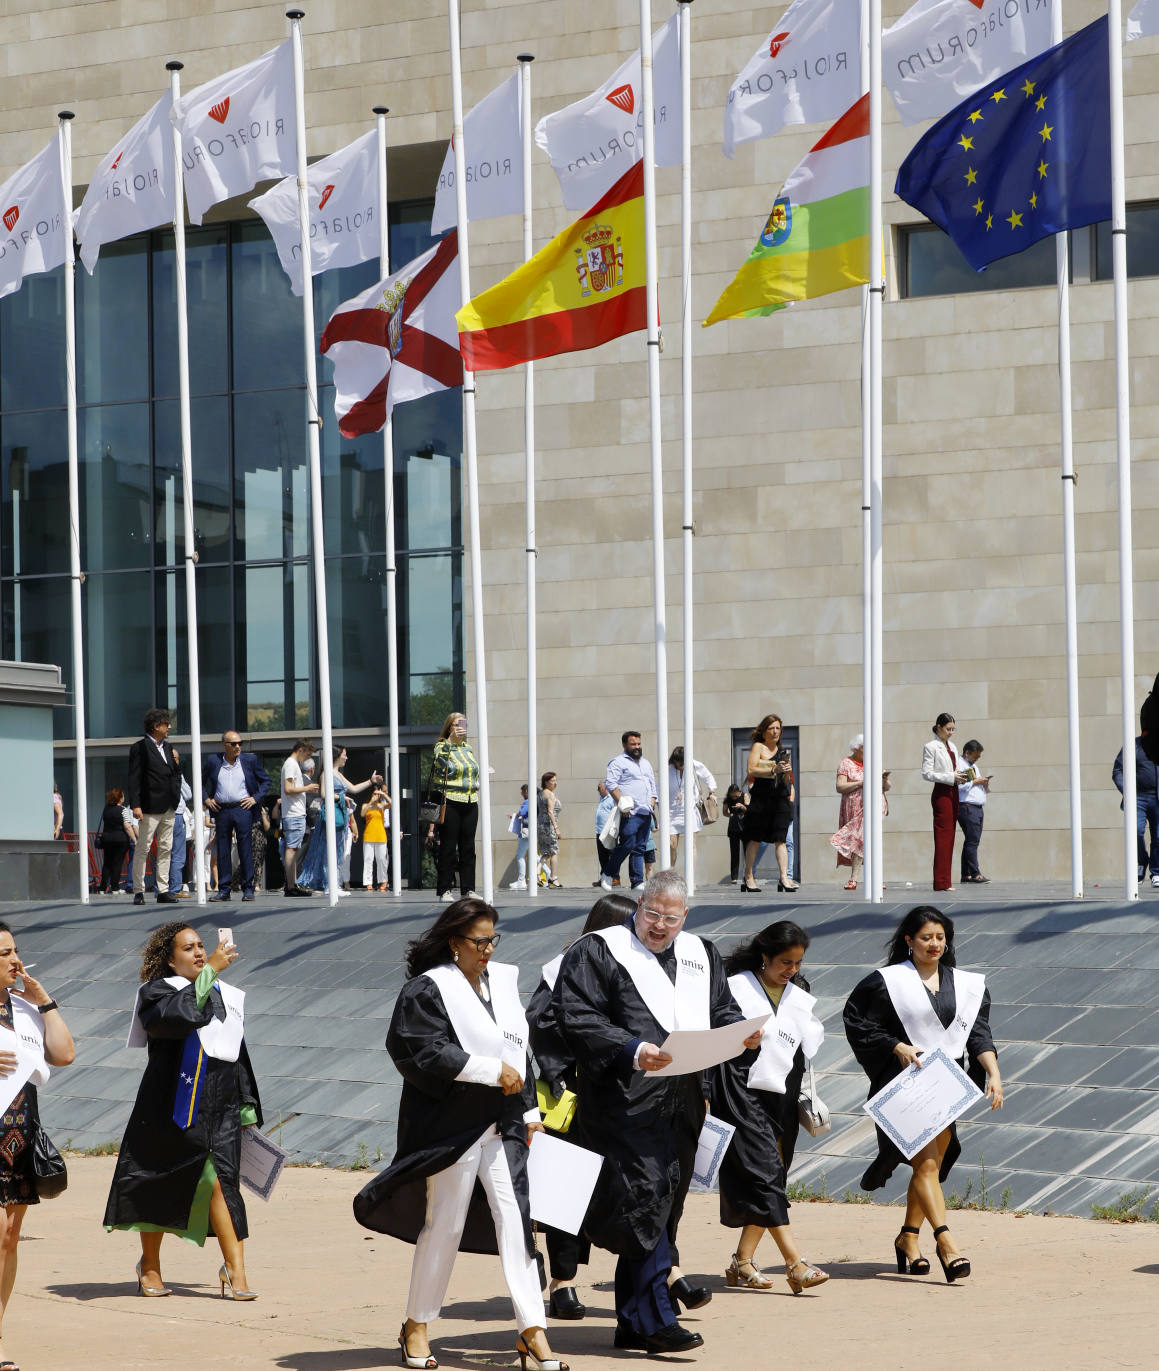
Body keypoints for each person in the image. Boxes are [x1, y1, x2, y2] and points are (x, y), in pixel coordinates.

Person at [352, 899, 567, 1371]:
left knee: (518, 1224)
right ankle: (417, 1324)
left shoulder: (503, 983)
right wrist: (491, 1071)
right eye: (479, 941)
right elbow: (420, 1051)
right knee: (444, 1226)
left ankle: (533, 1333)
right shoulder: (428, 991)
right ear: (454, 943)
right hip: (453, 1128)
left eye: (493, 939)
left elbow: (519, 1046)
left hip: (505, 1124)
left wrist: (531, 1108)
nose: (488, 949)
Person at [553, 869, 760, 1355]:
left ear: (684, 916)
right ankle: (656, 1320)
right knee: (644, 1198)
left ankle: (630, 1319)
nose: (660, 926)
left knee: (665, 1206)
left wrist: (741, 1034)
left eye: (671, 918)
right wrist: (630, 1048)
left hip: (683, 1098)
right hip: (623, 1097)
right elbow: (576, 1015)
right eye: (651, 914)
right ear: (638, 906)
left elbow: (721, 1009)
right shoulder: (598, 951)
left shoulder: (699, 952)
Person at [843, 906, 1003, 1282]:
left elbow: (978, 1034)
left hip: (945, 1087)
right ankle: (946, 1243)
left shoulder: (966, 985)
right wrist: (895, 1045)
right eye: (926, 937)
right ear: (908, 941)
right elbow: (857, 1023)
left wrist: (994, 1073)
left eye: (940, 937)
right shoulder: (886, 982)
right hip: (904, 1085)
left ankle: (908, 1238)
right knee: (927, 1164)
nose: (935, 945)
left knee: (925, 1167)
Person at [104, 923, 262, 1300]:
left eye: (201, 946)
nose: (198, 952)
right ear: (171, 961)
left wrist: (246, 1108)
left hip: (220, 1107)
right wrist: (210, 973)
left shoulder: (225, 994)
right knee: (157, 1180)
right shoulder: (157, 993)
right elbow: (178, 1018)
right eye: (188, 948)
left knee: (222, 1185)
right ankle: (150, 1265)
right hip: (169, 1106)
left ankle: (235, 1270)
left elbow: (233, 1052)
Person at [525, 892, 636, 1321]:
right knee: (565, 1188)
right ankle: (563, 1283)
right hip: (573, 1090)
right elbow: (541, 1022)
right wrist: (591, 1048)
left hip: (621, 1091)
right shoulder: (564, 965)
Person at [709, 920, 827, 1294]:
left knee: (772, 1177)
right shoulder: (735, 988)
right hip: (741, 1092)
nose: (792, 970)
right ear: (765, 956)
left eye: (797, 963)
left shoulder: (798, 991)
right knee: (765, 1173)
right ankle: (796, 1263)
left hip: (783, 1094)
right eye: (785, 962)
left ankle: (742, 1261)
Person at [0, 923, 75, 1370]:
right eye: (3, 953)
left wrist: (43, 999)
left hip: (18, 1137)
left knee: (9, 1239)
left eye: (14, 951)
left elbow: (64, 1053)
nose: (14, 960)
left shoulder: (24, 1008)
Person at [203, 731, 270, 904]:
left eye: (240, 743)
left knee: (245, 849)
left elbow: (266, 781)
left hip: (243, 808)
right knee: (223, 850)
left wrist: (255, 798)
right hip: (222, 809)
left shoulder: (250, 760)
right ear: (224, 745)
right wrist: (207, 799)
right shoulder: (213, 761)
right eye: (233, 744)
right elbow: (200, 782)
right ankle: (224, 890)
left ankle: (248, 889)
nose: (238, 746)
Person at [127, 707, 183, 906]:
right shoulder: (140, 747)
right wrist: (136, 805)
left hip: (169, 806)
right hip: (150, 806)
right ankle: (139, 890)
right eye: (165, 723)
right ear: (155, 726)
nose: (169, 727)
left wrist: (175, 793)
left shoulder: (168, 747)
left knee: (166, 848)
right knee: (143, 848)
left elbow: (175, 772)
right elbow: (134, 778)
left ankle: (163, 889)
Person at [740, 714, 797, 893]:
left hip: (780, 800)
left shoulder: (782, 751)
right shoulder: (759, 746)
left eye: (778, 728)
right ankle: (748, 876)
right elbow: (751, 769)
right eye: (771, 728)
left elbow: (787, 781)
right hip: (761, 800)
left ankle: (784, 878)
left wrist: (786, 772)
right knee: (755, 839)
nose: (775, 732)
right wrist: (774, 768)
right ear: (764, 731)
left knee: (781, 840)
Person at [431, 713, 481, 903]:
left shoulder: (467, 748)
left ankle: (468, 889)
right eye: (456, 724)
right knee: (449, 846)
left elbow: (471, 772)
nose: (461, 726)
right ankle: (445, 889)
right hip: (450, 800)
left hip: (470, 800)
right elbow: (442, 765)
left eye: (463, 723)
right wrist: (450, 741)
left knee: (468, 846)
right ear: (449, 727)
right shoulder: (442, 746)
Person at [830, 735, 890, 891]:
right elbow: (840, 787)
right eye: (865, 748)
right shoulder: (846, 763)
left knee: (868, 839)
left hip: (874, 807)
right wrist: (862, 783)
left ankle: (857, 879)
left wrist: (883, 778)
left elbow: (887, 787)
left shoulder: (874, 762)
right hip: (855, 807)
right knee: (862, 840)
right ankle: (867, 878)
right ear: (856, 748)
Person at [601, 731, 657, 892]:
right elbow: (611, 784)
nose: (637, 747)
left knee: (640, 847)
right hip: (629, 812)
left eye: (639, 744)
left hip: (646, 811)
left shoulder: (646, 763)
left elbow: (652, 784)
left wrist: (653, 800)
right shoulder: (618, 762)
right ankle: (608, 873)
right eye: (633, 744)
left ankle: (637, 881)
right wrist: (622, 803)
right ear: (625, 745)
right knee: (628, 844)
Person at [921, 713, 970, 893]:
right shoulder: (930, 746)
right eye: (948, 729)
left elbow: (954, 769)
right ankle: (941, 881)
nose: (951, 732)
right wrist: (950, 776)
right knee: (942, 837)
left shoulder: (952, 746)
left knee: (950, 837)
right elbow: (926, 773)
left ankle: (946, 880)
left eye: (953, 729)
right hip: (941, 792)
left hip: (954, 790)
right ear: (939, 727)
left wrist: (960, 777)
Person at [1113, 732, 1159, 888]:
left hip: (1158, 798)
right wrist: (1127, 791)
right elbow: (1118, 771)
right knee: (1136, 832)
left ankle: (1157, 872)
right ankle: (1141, 862)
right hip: (1137, 797)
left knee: (1158, 836)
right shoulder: (1133, 746)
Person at [280, 739, 319, 896]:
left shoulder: (292, 764)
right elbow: (288, 788)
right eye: (308, 755)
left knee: (294, 849)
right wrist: (307, 788)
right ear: (301, 750)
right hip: (294, 813)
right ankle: (290, 886)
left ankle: (292, 884)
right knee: (292, 848)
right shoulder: (290, 764)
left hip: (295, 813)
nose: (307, 759)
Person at [667, 748, 717, 868]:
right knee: (671, 845)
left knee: (691, 844)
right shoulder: (668, 769)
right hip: (672, 812)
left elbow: (708, 777)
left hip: (690, 810)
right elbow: (659, 786)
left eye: (683, 763)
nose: (680, 766)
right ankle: (671, 872)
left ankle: (691, 877)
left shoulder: (695, 765)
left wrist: (712, 792)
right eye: (678, 763)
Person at [957, 740, 992, 884]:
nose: (977, 759)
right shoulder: (959, 765)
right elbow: (959, 785)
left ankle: (966, 874)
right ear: (967, 753)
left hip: (976, 807)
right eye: (975, 756)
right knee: (972, 841)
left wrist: (983, 783)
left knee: (971, 841)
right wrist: (976, 782)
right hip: (967, 806)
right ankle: (975, 873)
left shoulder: (974, 766)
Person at [98, 788, 134, 894]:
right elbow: (127, 826)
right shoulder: (123, 810)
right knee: (117, 863)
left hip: (107, 839)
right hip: (120, 840)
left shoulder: (106, 809)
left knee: (107, 863)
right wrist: (134, 839)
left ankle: (102, 888)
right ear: (120, 798)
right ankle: (115, 887)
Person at [362, 786, 391, 891]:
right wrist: (371, 802)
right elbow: (362, 813)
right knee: (368, 859)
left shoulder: (381, 806)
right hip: (369, 835)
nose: (376, 796)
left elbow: (392, 804)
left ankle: (383, 881)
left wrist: (383, 794)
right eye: (375, 794)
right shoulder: (366, 805)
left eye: (377, 794)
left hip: (380, 835)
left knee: (382, 859)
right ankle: (368, 882)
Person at [168, 776, 193, 898]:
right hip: (176, 814)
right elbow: (188, 794)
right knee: (178, 855)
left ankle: (161, 889)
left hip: (159, 814)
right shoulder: (176, 773)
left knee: (164, 853)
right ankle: (175, 888)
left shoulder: (155, 769)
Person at [538, 773, 562, 889]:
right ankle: (553, 877)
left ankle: (537, 873)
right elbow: (550, 811)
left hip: (541, 825)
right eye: (552, 780)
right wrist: (556, 828)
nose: (555, 783)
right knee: (554, 852)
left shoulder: (541, 794)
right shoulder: (550, 794)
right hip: (549, 826)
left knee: (547, 852)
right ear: (546, 782)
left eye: (555, 780)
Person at [507, 785, 531, 891]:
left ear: (526, 791)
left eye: (522, 792)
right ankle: (549, 875)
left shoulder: (528, 802)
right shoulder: (535, 801)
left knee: (520, 856)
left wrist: (515, 815)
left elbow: (522, 813)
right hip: (532, 831)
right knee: (534, 856)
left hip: (526, 831)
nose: (521, 794)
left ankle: (521, 880)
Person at [593, 782, 616, 886]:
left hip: (608, 832)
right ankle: (604, 877)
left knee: (611, 855)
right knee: (602, 856)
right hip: (599, 832)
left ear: (606, 788)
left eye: (599, 788)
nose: (598, 790)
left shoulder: (611, 799)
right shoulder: (602, 800)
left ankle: (614, 877)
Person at [723, 785, 747, 884]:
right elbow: (724, 812)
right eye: (732, 796)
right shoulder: (727, 799)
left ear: (738, 792)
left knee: (747, 851)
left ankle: (748, 875)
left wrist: (742, 806)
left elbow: (749, 809)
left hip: (744, 825)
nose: (734, 798)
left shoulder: (744, 796)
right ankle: (734, 877)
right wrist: (730, 815)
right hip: (733, 826)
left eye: (735, 796)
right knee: (734, 853)